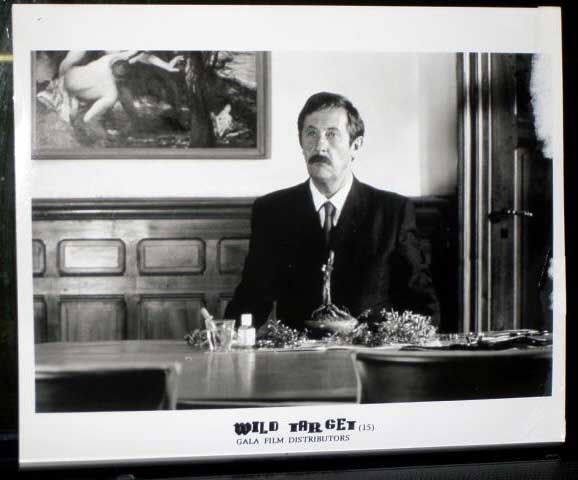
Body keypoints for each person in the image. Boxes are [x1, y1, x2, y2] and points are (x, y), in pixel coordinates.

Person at [225, 92, 440, 330]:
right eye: (311, 133)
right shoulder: (273, 211)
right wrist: (222, 334)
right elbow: (252, 298)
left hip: (367, 358)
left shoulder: (392, 212)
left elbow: (421, 307)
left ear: (355, 145)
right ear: (301, 143)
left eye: (332, 134)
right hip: (298, 360)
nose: (320, 145)